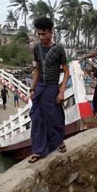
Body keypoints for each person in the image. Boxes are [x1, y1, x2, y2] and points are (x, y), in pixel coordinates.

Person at [28, 17, 69, 163]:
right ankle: (39, 150)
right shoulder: (37, 48)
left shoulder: (58, 49)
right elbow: (37, 69)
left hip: (52, 88)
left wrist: (62, 91)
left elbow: (66, 71)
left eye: (44, 34)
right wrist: (32, 88)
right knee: (37, 118)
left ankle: (60, 142)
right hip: (40, 88)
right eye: (39, 34)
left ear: (51, 32)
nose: (41, 37)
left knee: (54, 118)